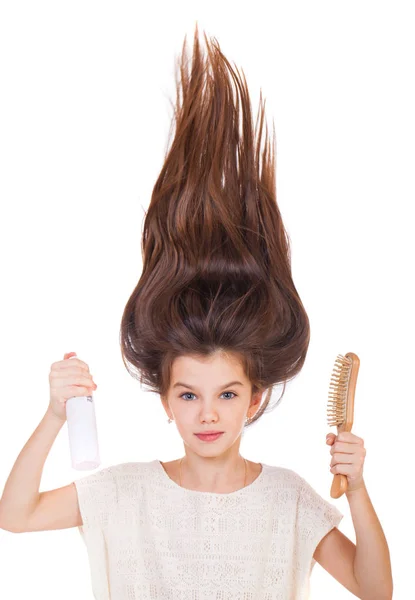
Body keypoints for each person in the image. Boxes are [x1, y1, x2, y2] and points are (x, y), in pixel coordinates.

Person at [0, 23, 392, 600]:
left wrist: (356, 489)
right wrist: (55, 415)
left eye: (227, 394)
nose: (208, 414)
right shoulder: (125, 493)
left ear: (255, 398)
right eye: (189, 395)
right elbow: (17, 514)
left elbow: (375, 589)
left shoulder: (288, 500)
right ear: (165, 400)